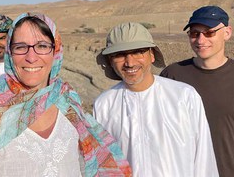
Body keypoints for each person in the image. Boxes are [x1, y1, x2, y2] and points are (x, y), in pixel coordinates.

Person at [0, 13, 132, 176]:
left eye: (42, 46)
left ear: (56, 51)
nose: (31, 57)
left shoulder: (69, 103)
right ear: (10, 53)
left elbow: (86, 167)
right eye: (21, 47)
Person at [93, 22, 218, 176]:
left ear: (151, 55)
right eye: (120, 55)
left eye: (138, 52)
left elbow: (204, 160)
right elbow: (103, 165)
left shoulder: (183, 96)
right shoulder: (104, 105)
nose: (129, 62)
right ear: (110, 62)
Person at [160, 5, 234, 177]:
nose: (200, 40)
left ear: (227, 33)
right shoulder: (172, 75)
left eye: (209, 32)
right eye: (194, 33)